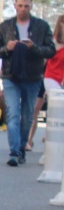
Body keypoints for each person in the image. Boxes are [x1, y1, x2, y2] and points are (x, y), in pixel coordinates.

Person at [0, 0, 56, 166]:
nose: (23, 9)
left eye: (26, 6)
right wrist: (8, 47)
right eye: (20, 6)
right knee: (13, 114)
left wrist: (34, 48)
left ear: (31, 6)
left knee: (27, 117)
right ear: (15, 6)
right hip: (11, 76)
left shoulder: (41, 26)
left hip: (33, 77)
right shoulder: (5, 26)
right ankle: (14, 152)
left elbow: (50, 50)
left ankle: (21, 148)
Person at [26, 14, 64, 151]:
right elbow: (43, 58)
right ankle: (28, 141)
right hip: (47, 77)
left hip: (61, 80)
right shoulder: (53, 42)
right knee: (36, 109)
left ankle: (50, 136)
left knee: (57, 110)